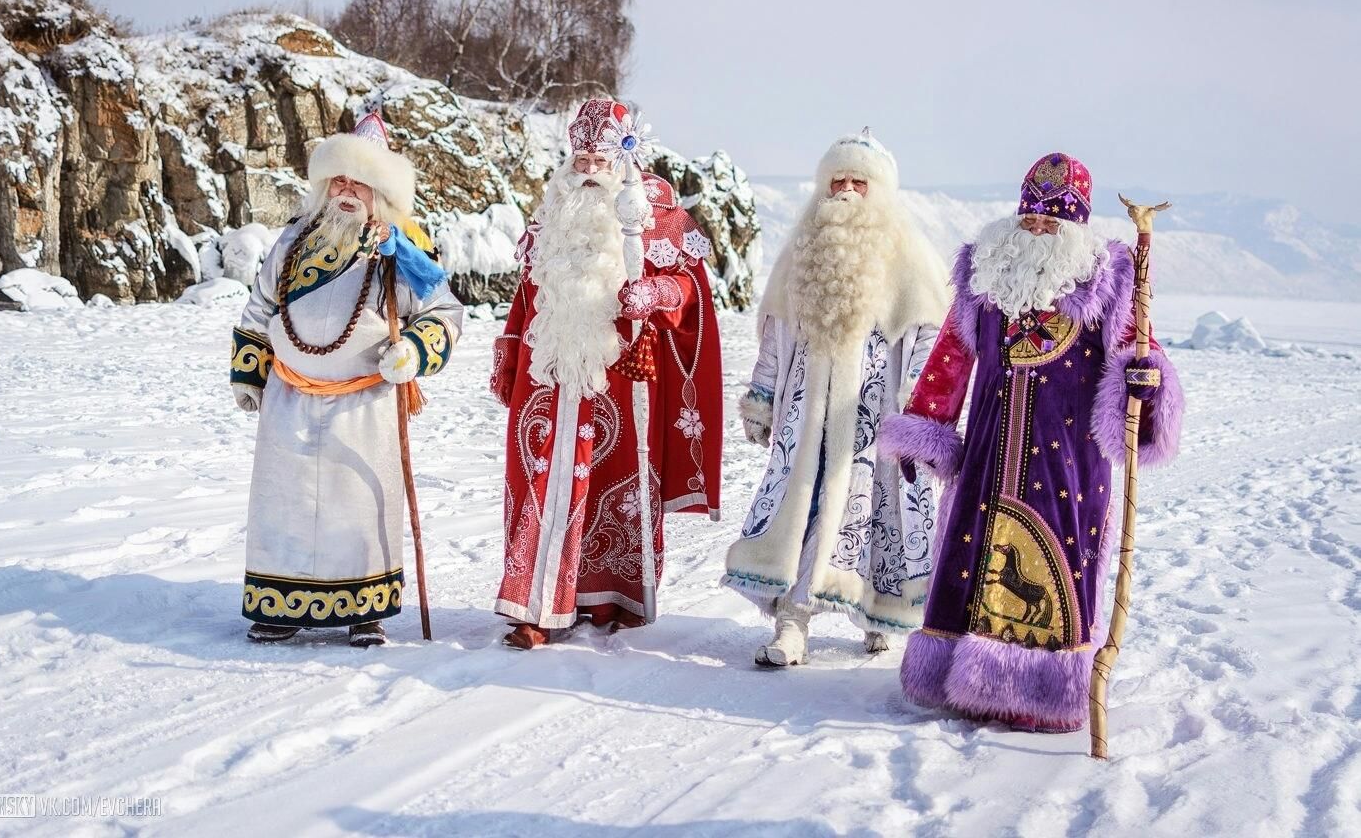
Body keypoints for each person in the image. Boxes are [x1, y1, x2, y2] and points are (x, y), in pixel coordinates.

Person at [880, 152, 1184, 731]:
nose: (1037, 227)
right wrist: (928, 424)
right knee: (974, 560)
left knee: (1061, 572)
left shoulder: (1112, 284)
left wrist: (1143, 381)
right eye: (1030, 216)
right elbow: (951, 357)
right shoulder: (983, 274)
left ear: (1076, 227)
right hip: (989, 454)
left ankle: (1043, 695)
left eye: (1053, 219)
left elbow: (1143, 358)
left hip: (1070, 462)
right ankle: (962, 680)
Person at [489, 98, 723, 649]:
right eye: (582, 161)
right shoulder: (549, 215)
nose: (590, 171)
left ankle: (607, 596)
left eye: (601, 160)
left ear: (621, 158)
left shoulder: (651, 211)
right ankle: (535, 605)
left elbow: (690, 287)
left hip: (619, 372)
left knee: (611, 480)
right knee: (540, 481)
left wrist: (657, 292)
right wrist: (508, 355)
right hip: (548, 374)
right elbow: (527, 294)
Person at [230, 109, 464, 647]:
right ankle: (280, 607)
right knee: (284, 502)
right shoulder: (293, 240)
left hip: (365, 403)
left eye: (359, 180)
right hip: (288, 395)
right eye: (338, 177)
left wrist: (414, 352)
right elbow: (259, 306)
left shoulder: (402, 251)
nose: (346, 188)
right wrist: (250, 369)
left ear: (379, 190)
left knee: (357, 503)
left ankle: (365, 611)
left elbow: (445, 312)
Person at [725, 130, 950, 667]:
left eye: (859, 181)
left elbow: (927, 334)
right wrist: (761, 397)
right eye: (837, 180)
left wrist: (917, 410)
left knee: (873, 513)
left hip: (873, 417)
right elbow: (777, 330)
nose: (846, 191)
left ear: (879, 190)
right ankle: (793, 618)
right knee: (803, 507)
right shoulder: (802, 246)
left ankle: (876, 611)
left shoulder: (909, 252)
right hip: (806, 417)